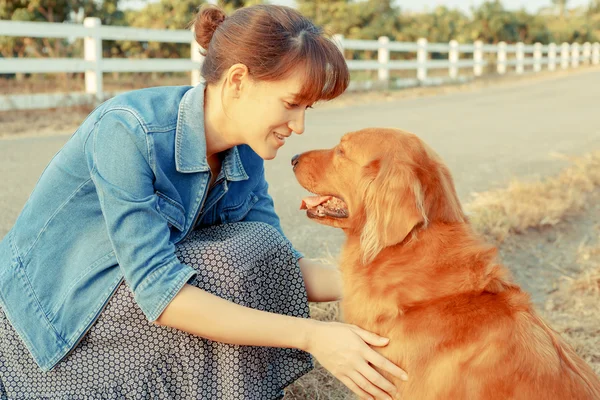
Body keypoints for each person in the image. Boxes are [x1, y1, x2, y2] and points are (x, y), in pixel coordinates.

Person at [0, 4, 407, 400]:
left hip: (132, 299)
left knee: (257, 254)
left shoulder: (244, 151)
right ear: (237, 82)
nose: (300, 126)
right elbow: (160, 293)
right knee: (227, 265)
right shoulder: (128, 130)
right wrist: (314, 336)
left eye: (307, 108)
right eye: (291, 103)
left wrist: (392, 287)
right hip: (54, 321)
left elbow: (280, 264)